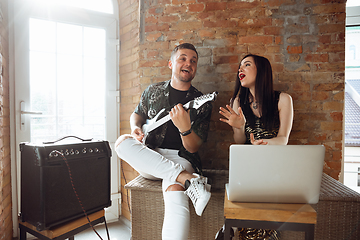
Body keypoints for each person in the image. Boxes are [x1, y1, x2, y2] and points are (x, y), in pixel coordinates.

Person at [115, 43, 213, 240]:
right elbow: (137, 115)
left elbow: (193, 147)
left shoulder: (201, 101)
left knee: (175, 190)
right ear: (171, 63)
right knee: (121, 142)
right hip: (151, 157)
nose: (189, 63)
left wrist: (185, 128)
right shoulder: (153, 91)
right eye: (183, 58)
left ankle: (183, 178)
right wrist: (135, 128)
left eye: (193, 61)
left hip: (181, 158)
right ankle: (190, 180)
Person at [216, 54, 294, 240]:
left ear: (262, 70)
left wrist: (262, 144)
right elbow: (239, 141)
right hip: (247, 168)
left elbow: (283, 139)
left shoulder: (283, 100)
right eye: (239, 66)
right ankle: (236, 228)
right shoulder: (238, 102)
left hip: (273, 167)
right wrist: (239, 126)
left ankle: (232, 229)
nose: (240, 70)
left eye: (247, 65)